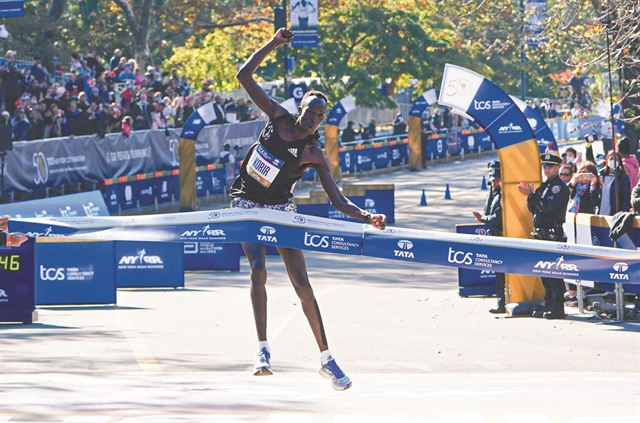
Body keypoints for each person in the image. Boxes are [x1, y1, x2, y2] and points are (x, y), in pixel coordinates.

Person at [231, 28, 386, 391]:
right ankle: (263, 351)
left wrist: (366, 217)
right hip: (245, 202)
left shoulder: (314, 154)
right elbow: (243, 76)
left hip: (281, 208)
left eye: (320, 117)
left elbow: (337, 199)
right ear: (300, 109)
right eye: (311, 112)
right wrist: (274, 43)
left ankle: (327, 360)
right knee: (258, 272)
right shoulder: (277, 117)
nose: (314, 119)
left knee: (302, 283)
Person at [517, 153, 570, 320]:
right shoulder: (545, 186)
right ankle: (548, 305)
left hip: (552, 235)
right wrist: (530, 195)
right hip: (541, 234)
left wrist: (532, 196)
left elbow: (547, 208)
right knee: (544, 273)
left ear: (557, 168)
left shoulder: (559, 188)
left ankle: (557, 308)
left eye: (550, 167)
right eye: (545, 167)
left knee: (554, 274)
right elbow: (533, 208)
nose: (547, 169)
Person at [472, 161, 505, 314]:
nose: (494, 182)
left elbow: (496, 218)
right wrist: (492, 190)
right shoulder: (494, 193)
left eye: (497, 179)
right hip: (494, 236)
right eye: (493, 179)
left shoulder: (504, 194)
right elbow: (487, 210)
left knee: (503, 272)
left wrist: (482, 219)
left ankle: (503, 301)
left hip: (502, 235)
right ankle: (501, 301)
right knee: (498, 273)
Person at [599, 151, 631, 215]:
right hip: (600, 213)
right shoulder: (601, 175)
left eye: (616, 159)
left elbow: (626, 198)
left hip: (615, 214)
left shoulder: (623, 177)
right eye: (611, 159)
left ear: (619, 162)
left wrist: (622, 214)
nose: (613, 161)